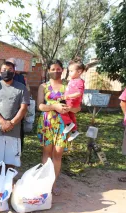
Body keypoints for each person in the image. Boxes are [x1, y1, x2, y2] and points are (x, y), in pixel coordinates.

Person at [37, 59, 81, 196]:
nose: (56, 71)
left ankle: (53, 183)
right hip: (47, 123)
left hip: (63, 124)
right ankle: (44, 182)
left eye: (58, 69)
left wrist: (70, 108)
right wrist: (54, 106)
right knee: (47, 153)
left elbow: (78, 108)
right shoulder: (43, 86)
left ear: (63, 70)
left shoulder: (68, 87)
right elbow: (40, 106)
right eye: (53, 69)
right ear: (48, 71)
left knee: (58, 154)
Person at [0, 61, 30, 170]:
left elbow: (23, 108)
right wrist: (2, 122)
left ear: (14, 72)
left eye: (10, 70)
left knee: (11, 160)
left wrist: (11, 123)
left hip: (14, 130)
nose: (7, 72)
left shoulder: (22, 88)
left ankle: (8, 183)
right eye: (4, 70)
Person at [59, 60, 85, 141]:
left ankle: (69, 124)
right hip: (70, 100)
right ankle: (74, 131)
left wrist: (67, 96)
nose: (69, 73)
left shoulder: (79, 81)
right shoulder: (73, 80)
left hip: (72, 100)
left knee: (62, 110)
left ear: (79, 72)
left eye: (71, 71)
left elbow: (79, 93)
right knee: (70, 115)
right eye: (69, 71)